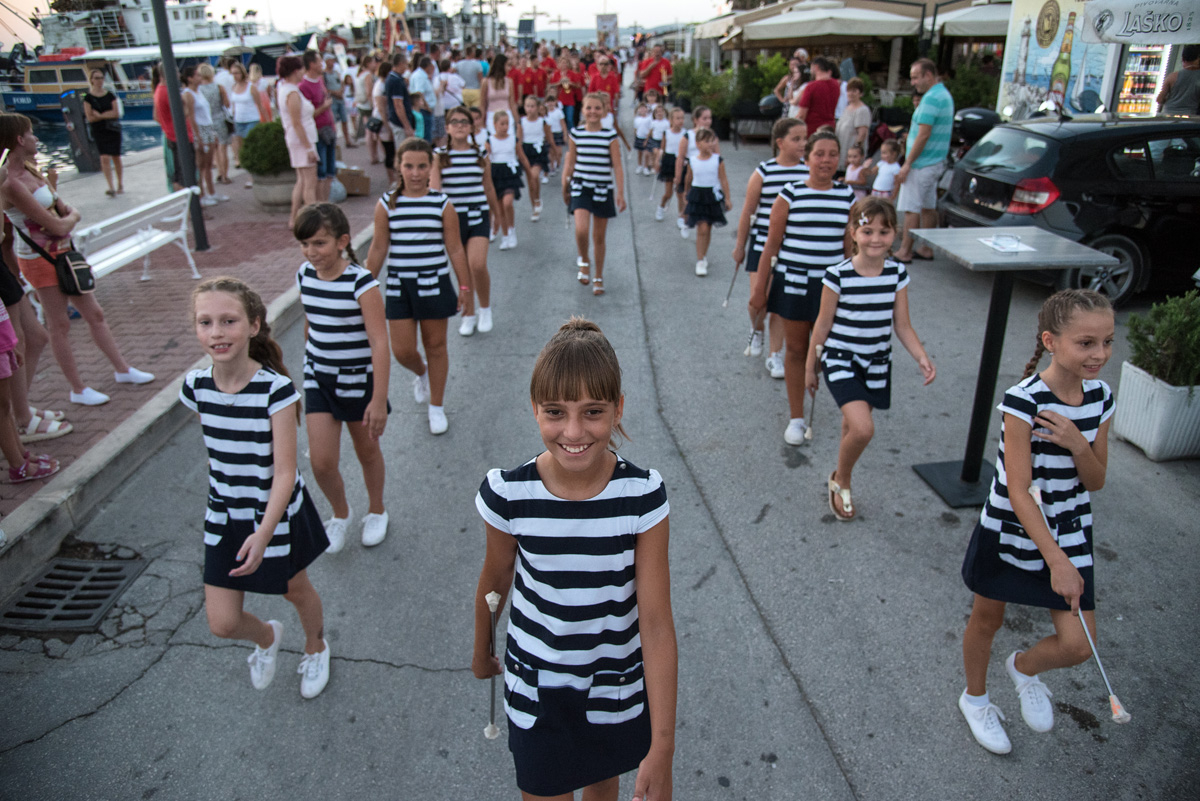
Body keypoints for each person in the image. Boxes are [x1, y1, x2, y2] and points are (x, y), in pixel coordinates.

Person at [472, 317, 677, 801]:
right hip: (537, 691)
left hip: (614, 689)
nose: (573, 431)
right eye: (555, 412)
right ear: (534, 410)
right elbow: (494, 579)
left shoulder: (642, 498)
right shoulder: (508, 494)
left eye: (593, 412)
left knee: (602, 786)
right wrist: (482, 650)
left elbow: (656, 622)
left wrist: (663, 748)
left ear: (618, 408)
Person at [958, 289, 1115, 755]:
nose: (1100, 354)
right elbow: (1018, 490)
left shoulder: (1101, 398)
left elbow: (1097, 479)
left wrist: (1077, 444)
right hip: (1011, 528)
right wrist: (1056, 562)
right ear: (1051, 340)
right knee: (987, 620)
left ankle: (1024, 668)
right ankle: (976, 698)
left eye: (1107, 342)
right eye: (1086, 343)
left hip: (1071, 526)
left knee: (1077, 645)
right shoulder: (1021, 402)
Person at [183, 277, 331, 699]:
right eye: (205, 322)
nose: (216, 332)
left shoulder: (276, 390)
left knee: (295, 589)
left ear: (253, 325)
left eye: (228, 321)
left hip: (275, 514)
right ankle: (267, 637)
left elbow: (285, 472)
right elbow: (219, 450)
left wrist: (263, 534)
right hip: (225, 514)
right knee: (223, 623)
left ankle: (316, 645)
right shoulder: (195, 387)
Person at [0, 112, 155, 407]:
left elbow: (63, 209)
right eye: (31, 133)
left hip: (65, 253)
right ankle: (78, 388)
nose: (36, 138)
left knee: (94, 313)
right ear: (20, 140)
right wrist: (68, 218)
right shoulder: (11, 184)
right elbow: (58, 223)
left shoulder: (32, 169)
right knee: (59, 325)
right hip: (40, 258)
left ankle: (122, 369)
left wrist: (67, 217)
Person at [805, 197, 936, 520]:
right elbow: (821, 325)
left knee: (852, 424)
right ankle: (841, 479)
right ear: (853, 232)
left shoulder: (896, 273)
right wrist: (811, 367)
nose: (876, 239)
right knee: (863, 429)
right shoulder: (837, 275)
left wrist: (921, 356)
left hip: (877, 362)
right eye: (867, 231)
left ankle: (840, 474)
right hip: (840, 359)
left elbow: (902, 325)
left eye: (884, 231)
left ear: (895, 233)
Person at [294, 204, 390, 552]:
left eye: (319, 243)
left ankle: (377, 510)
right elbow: (312, 322)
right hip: (319, 377)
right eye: (305, 244)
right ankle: (340, 514)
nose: (310, 252)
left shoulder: (361, 283)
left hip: (358, 383)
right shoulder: (304, 275)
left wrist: (378, 400)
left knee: (367, 451)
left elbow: (380, 343)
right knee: (320, 461)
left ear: (342, 241)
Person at [750, 131, 852, 446]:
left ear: (839, 159)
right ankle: (796, 417)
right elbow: (771, 246)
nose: (825, 160)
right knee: (795, 350)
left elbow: (850, 252)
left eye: (832, 154)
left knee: (822, 351)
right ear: (807, 157)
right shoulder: (789, 194)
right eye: (819, 153)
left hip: (831, 288)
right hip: (793, 284)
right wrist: (760, 291)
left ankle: (835, 401)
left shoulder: (847, 196)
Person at [364, 138, 472, 436]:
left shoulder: (442, 204)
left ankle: (436, 406)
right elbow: (377, 249)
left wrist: (465, 287)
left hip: (435, 284)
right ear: (399, 167)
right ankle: (421, 372)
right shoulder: (386, 204)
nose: (414, 173)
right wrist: (359, 287)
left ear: (430, 168)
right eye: (408, 166)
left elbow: (456, 249)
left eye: (421, 166)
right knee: (401, 350)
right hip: (400, 286)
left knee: (436, 346)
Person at [732, 117, 809, 379]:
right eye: (796, 138)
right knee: (758, 298)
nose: (803, 144)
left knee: (777, 303)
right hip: (762, 244)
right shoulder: (763, 172)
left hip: (791, 248)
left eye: (804, 138)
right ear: (780, 142)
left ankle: (775, 355)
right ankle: (757, 329)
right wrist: (740, 246)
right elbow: (748, 211)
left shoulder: (808, 172)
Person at [433, 106, 501, 336]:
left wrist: (497, 214)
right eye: (455, 121)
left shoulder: (480, 153)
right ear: (448, 127)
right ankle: (468, 313)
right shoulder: (440, 156)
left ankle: (485, 308)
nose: (460, 125)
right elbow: (435, 191)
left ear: (472, 127)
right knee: (461, 271)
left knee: (477, 264)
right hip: (452, 220)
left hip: (477, 213)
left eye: (465, 121)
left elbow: (488, 186)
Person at [562, 92, 625, 296]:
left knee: (599, 237)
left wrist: (620, 192)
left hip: (602, 189)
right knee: (581, 230)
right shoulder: (576, 134)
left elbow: (617, 166)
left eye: (597, 108)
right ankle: (584, 260)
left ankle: (598, 275)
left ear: (605, 110)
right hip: (581, 187)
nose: (593, 112)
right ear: (583, 110)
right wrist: (565, 185)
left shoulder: (610, 136)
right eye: (589, 108)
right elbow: (571, 162)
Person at [893, 58, 954, 263]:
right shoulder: (944, 95)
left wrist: (908, 162)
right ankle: (926, 247)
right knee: (928, 207)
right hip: (935, 161)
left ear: (928, 75)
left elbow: (923, 134)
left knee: (912, 208)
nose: (913, 83)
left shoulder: (931, 98)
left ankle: (905, 251)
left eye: (915, 77)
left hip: (922, 163)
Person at [276, 55, 319, 229]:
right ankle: (313, 219)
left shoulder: (286, 88)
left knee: (301, 180)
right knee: (310, 182)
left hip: (297, 139)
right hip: (302, 140)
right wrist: (308, 147)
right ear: (295, 71)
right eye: (301, 69)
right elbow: (296, 122)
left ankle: (294, 217)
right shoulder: (292, 92)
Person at [683, 128, 730, 277]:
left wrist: (727, 198)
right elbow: (688, 178)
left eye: (712, 141)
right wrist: (686, 193)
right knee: (701, 228)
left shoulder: (717, 160)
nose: (710, 144)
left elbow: (723, 179)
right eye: (706, 141)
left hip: (712, 195)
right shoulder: (693, 160)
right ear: (697, 143)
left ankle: (703, 255)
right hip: (698, 195)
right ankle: (700, 260)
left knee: (708, 227)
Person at [672, 106, 718, 237]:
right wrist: (678, 175)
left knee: (700, 199)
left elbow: (717, 156)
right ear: (696, 120)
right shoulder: (688, 136)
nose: (708, 121)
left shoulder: (712, 136)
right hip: (690, 169)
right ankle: (683, 217)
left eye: (710, 118)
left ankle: (700, 223)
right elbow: (680, 157)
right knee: (686, 196)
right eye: (705, 118)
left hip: (705, 171)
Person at [487, 110, 527, 250]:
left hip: (510, 173)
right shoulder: (490, 141)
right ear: (494, 124)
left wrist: (529, 172)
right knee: (499, 208)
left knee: (507, 203)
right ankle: (505, 235)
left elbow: (521, 155)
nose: (505, 127)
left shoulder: (513, 139)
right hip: (496, 174)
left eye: (507, 124)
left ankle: (512, 229)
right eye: (502, 124)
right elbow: (485, 160)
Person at [182, 65, 220, 207]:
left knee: (209, 164)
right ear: (190, 78)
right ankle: (202, 194)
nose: (200, 77)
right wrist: (198, 137)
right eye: (196, 75)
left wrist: (212, 132)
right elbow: (191, 117)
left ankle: (211, 192)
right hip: (200, 129)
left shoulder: (199, 92)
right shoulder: (188, 94)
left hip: (208, 127)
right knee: (201, 164)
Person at [300, 51, 336, 202]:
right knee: (320, 174)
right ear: (312, 64)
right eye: (319, 61)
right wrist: (324, 107)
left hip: (329, 129)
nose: (322, 64)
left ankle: (326, 204)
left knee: (330, 172)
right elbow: (306, 114)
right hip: (317, 132)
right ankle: (322, 206)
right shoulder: (303, 86)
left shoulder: (320, 80)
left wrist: (333, 126)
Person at [82, 69, 123, 197]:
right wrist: (105, 115)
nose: (100, 81)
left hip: (112, 129)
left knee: (116, 156)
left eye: (101, 78)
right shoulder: (88, 98)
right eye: (97, 78)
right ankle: (110, 186)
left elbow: (115, 113)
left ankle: (120, 183)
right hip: (99, 130)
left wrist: (100, 115)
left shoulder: (110, 95)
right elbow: (90, 117)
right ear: (92, 80)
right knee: (104, 157)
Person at [518, 94, 556, 221]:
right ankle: (534, 207)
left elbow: (549, 138)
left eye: (532, 106)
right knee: (530, 181)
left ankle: (538, 198)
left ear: (538, 107)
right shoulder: (521, 122)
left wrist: (554, 153)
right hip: (526, 151)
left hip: (538, 151)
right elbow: (519, 140)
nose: (530, 109)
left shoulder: (542, 122)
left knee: (535, 176)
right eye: (527, 106)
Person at [227, 61, 263, 188]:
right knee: (242, 150)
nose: (234, 76)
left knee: (251, 147)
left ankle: (254, 176)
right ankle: (251, 175)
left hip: (251, 119)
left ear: (242, 73)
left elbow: (259, 105)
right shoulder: (234, 87)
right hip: (238, 121)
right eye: (232, 73)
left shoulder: (251, 87)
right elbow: (234, 105)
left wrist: (265, 120)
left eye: (236, 73)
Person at [198, 64, 233, 188]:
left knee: (213, 149)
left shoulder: (199, 90)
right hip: (220, 119)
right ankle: (224, 174)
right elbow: (227, 104)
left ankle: (218, 172)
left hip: (207, 122)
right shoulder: (219, 87)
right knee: (222, 148)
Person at [655, 107, 686, 222]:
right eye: (678, 118)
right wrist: (658, 162)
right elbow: (662, 149)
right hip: (669, 162)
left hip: (681, 162)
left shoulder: (685, 134)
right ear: (671, 120)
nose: (681, 120)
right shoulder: (666, 133)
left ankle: (681, 217)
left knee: (680, 193)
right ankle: (661, 207)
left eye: (682, 118)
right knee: (668, 193)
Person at [835, 77, 871, 171]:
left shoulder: (862, 110)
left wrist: (852, 156)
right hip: (841, 151)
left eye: (854, 91)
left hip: (851, 156)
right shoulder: (847, 108)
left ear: (860, 93)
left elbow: (862, 134)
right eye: (849, 90)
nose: (850, 93)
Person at [797, 57, 840, 133]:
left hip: (813, 129)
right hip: (829, 127)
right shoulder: (836, 84)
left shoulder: (811, 87)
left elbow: (801, 115)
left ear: (815, 67)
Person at [322, 52, 356, 149]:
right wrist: (335, 93)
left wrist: (341, 91)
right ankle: (335, 142)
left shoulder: (336, 73)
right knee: (333, 121)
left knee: (344, 120)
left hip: (340, 99)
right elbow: (324, 88)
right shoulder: (324, 74)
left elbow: (341, 82)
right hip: (333, 100)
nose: (332, 62)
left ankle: (347, 140)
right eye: (330, 60)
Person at [1157, 44, 1200, 115]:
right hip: (1190, 116)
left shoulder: (1172, 76)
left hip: (1169, 114)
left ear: (1183, 59)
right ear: (1198, 59)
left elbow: (1159, 99)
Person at [371, 61, 396, 183]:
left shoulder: (383, 83)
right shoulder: (380, 86)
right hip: (383, 121)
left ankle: (393, 177)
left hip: (387, 119)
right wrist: (387, 125)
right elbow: (381, 108)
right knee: (389, 150)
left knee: (391, 150)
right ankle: (391, 179)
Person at [481, 53, 517, 135]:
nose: (509, 68)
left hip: (507, 115)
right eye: (508, 65)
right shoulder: (486, 82)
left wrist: (517, 121)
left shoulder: (509, 81)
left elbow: (512, 104)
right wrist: (481, 122)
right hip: (492, 116)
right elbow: (482, 104)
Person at [386, 52, 415, 143]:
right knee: (402, 148)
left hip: (398, 120)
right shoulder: (395, 81)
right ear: (401, 64)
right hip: (399, 122)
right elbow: (398, 104)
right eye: (406, 64)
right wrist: (406, 125)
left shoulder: (395, 78)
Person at [355, 55, 377, 154]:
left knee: (368, 129)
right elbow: (369, 92)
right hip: (368, 105)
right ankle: (373, 154)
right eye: (373, 62)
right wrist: (373, 105)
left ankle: (372, 154)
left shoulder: (360, 73)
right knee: (371, 131)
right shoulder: (368, 75)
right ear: (368, 63)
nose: (375, 64)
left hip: (362, 104)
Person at [647, 104, 669, 175]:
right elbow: (650, 132)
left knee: (661, 154)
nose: (659, 113)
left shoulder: (666, 123)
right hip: (654, 140)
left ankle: (659, 167)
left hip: (662, 141)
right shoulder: (653, 122)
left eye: (661, 111)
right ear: (655, 113)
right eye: (657, 112)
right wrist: (646, 140)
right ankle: (653, 167)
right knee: (655, 153)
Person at [632, 102, 653, 175]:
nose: (643, 110)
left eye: (644, 108)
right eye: (641, 109)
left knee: (646, 153)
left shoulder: (649, 119)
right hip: (639, 137)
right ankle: (639, 165)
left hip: (646, 138)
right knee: (639, 153)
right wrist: (635, 136)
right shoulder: (637, 119)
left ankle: (646, 167)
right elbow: (635, 129)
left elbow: (650, 129)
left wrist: (647, 139)